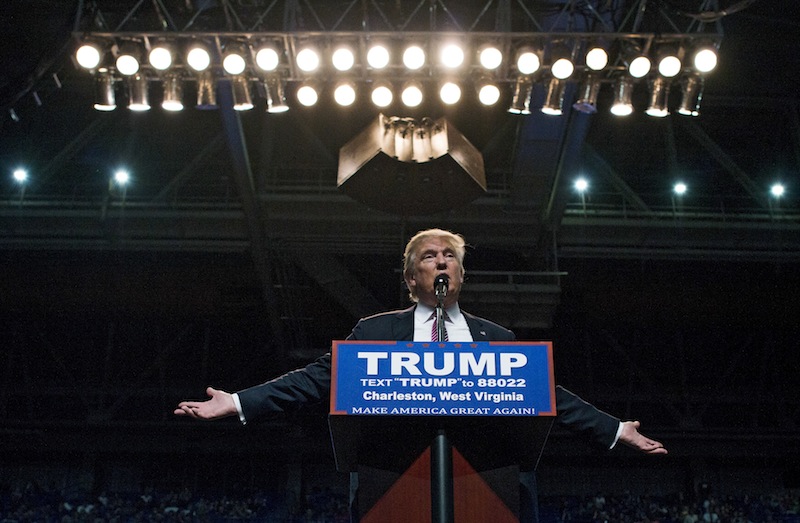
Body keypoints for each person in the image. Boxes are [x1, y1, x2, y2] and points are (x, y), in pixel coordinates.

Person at [175, 228, 667, 520]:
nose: (440, 261)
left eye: (448, 255)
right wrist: (237, 401)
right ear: (412, 279)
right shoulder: (375, 331)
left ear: (460, 274)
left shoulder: (496, 337)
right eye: (428, 257)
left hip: (486, 482)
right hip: (391, 479)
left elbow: (545, 391)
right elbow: (315, 379)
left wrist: (615, 428)